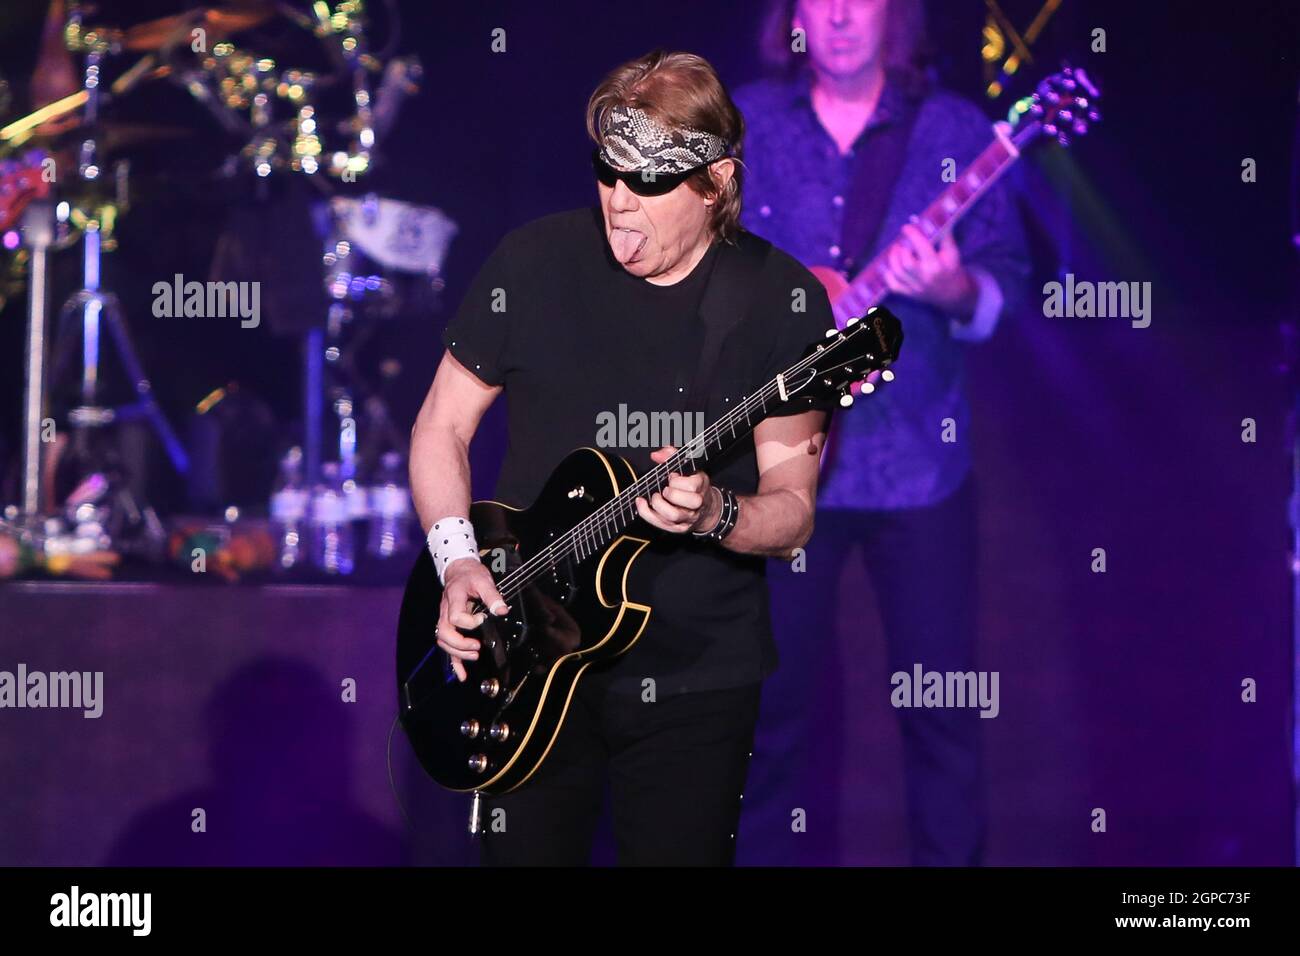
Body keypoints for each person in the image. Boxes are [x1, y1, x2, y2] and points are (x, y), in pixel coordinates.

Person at [408, 49, 842, 866]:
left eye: (646, 184)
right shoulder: (532, 265)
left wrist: (715, 512)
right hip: (530, 660)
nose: (617, 202)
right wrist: (458, 560)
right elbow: (440, 427)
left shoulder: (780, 302)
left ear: (715, 183)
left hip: (694, 677)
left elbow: (793, 512)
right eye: (607, 174)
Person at [733, 0, 1029, 865]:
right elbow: (692, 266)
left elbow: (1003, 283)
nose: (837, 15)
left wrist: (951, 290)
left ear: (893, 14)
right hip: (779, 465)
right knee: (769, 714)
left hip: (918, 468)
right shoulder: (744, 122)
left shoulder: (956, 128)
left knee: (940, 713)